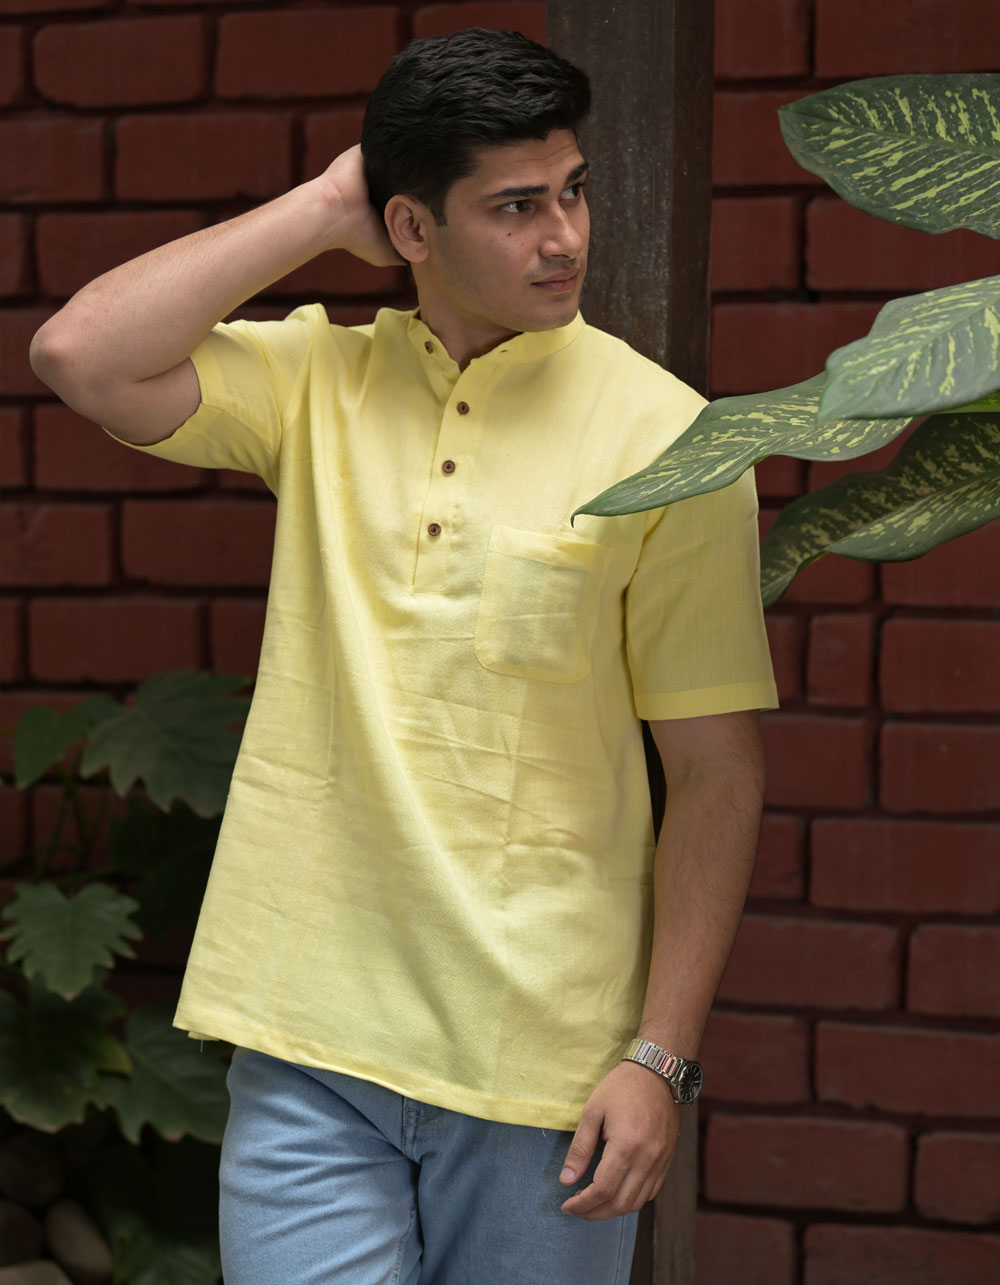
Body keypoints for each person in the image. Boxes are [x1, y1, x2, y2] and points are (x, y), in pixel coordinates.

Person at [30, 28, 777, 1285]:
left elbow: (715, 770)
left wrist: (658, 1057)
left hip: (541, 1064)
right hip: (306, 1039)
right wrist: (328, 205)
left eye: (574, 190)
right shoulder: (318, 379)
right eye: (515, 206)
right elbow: (78, 354)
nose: (565, 237)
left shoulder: (673, 442)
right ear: (410, 228)